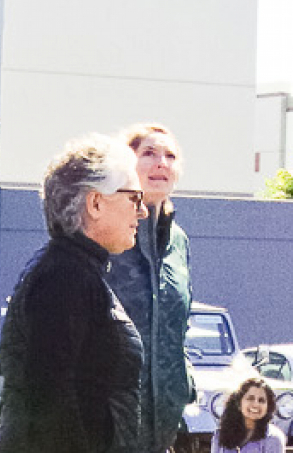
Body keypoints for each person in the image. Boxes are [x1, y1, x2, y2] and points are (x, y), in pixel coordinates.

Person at [0, 135, 148, 453]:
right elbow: (50, 397)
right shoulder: (64, 277)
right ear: (96, 203)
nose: (142, 211)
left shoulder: (76, 271)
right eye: (134, 197)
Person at [106, 122, 195, 453]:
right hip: (108, 424)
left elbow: (179, 329)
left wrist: (184, 389)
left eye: (170, 156)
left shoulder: (179, 242)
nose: (162, 163)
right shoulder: (106, 232)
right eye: (149, 154)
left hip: (163, 428)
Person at [218, 375, 288, 453]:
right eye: (250, 398)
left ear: (268, 407)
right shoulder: (220, 435)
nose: (256, 404)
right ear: (239, 403)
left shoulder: (273, 438)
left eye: (261, 400)